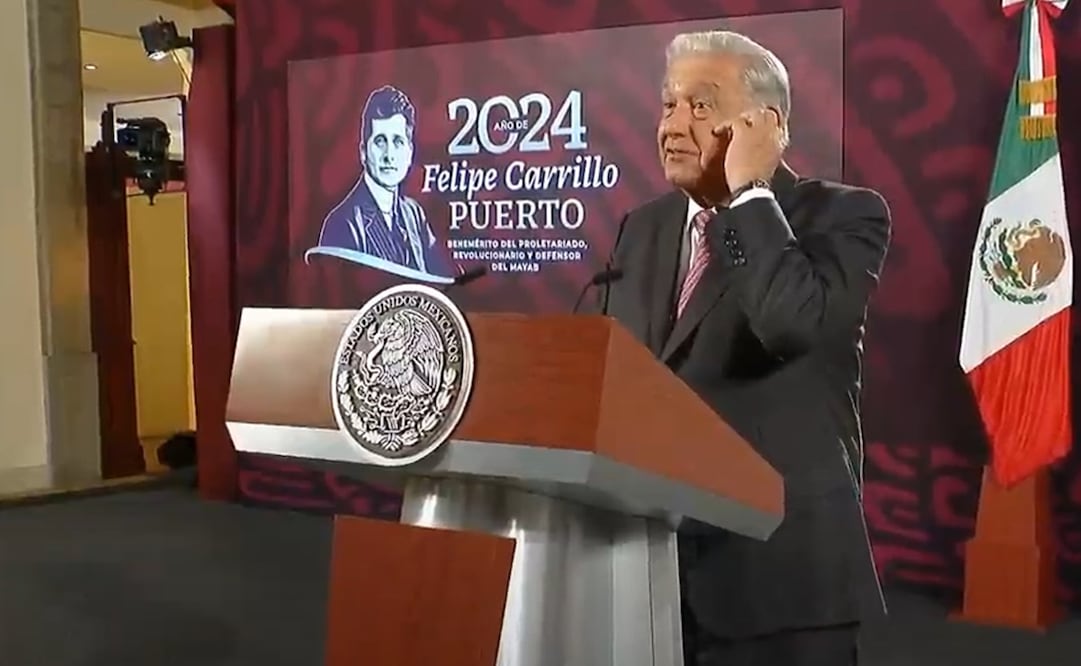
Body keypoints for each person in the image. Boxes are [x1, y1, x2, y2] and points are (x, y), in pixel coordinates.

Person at [601, 30, 890, 666]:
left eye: (701, 106)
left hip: (780, 588)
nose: (674, 124)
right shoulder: (643, 228)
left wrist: (749, 196)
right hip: (645, 577)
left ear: (765, 124)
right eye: (669, 104)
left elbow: (789, 323)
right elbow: (602, 369)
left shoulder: (844, 217)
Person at [307, 85, 452, 280]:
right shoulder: (343, 224)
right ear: (363, 152)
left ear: (410, 153)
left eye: (398, 142)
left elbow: (445, 279)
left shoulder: (414, 213)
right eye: (380, 141)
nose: (389, 156)